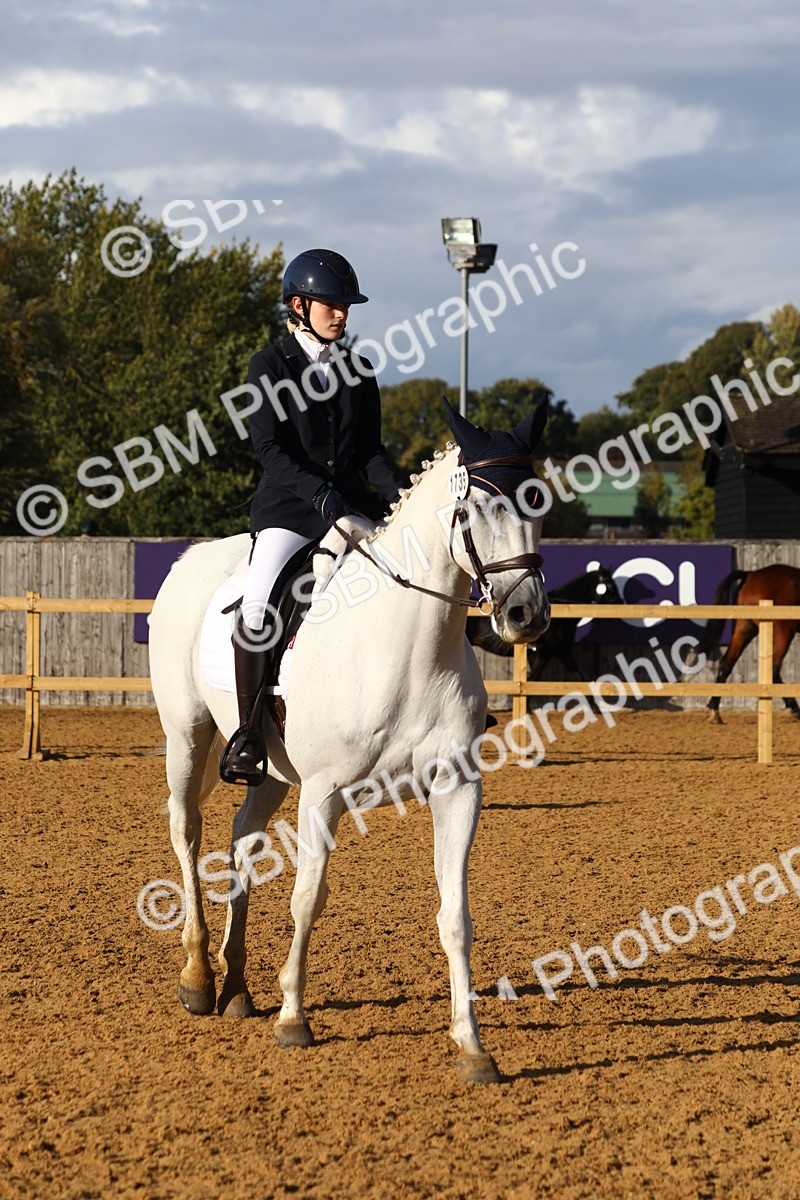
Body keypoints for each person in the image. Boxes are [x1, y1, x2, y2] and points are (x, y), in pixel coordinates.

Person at [220, 248, 404, 784]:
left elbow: (370, 453)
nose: (342, 313)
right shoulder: (269, 365)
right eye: (332, 303)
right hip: (288, 510)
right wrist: (320, 494)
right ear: (299, 305)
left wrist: (401, 498)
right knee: (257, 609)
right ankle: (249, 733)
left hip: (347, 509)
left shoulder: (359, 370)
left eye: (347, 305)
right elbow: (271, 451)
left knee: (414, 567)